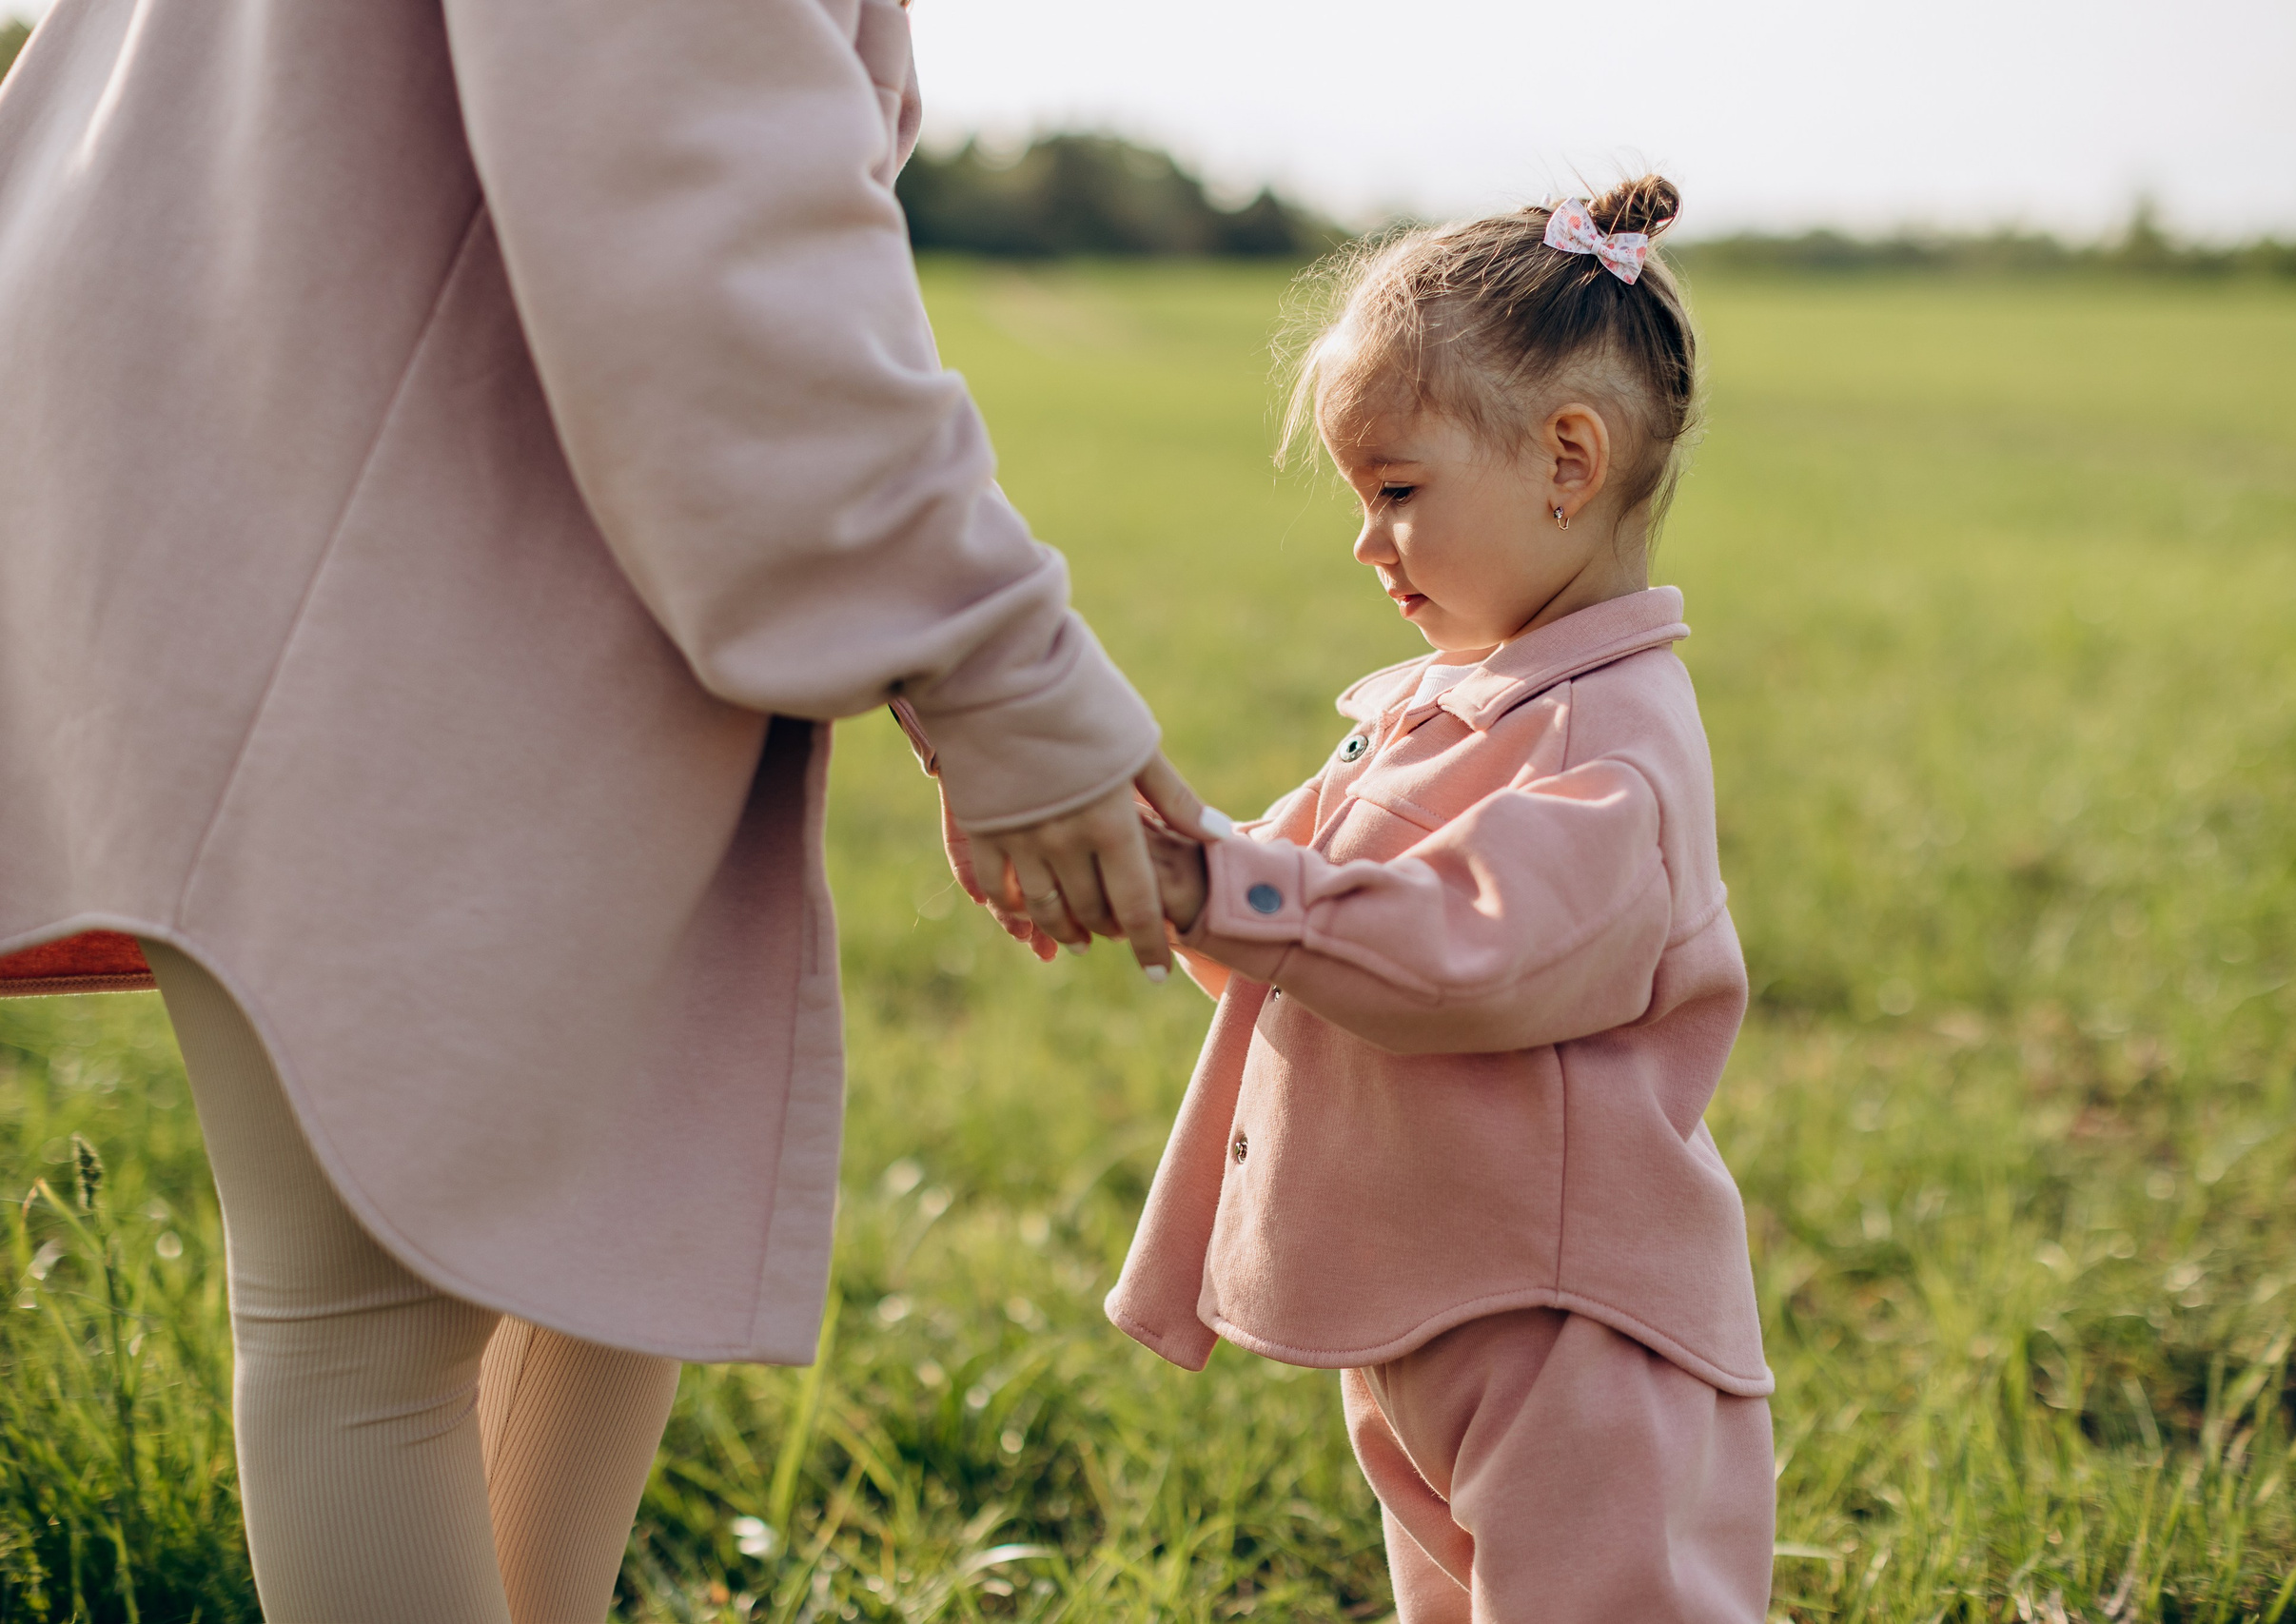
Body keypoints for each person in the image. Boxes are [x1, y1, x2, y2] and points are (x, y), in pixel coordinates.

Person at [0, 0, 1213, 1616]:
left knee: (620, 1197)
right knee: (370, 1308)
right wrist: (990, 668)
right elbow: (701, 203)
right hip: (338, 449)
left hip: (363, 418)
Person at [1096, 179, 1777, 1621]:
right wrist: (1147, 863)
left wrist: (1222, 886)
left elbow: (1467, 954)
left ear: (1567, 463)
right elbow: (1279, 928)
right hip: (1431, 1300)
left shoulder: (1612, 746)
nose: (1367, 544)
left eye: (1396, 493)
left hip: (1569, 1330)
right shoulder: (1437, 710)